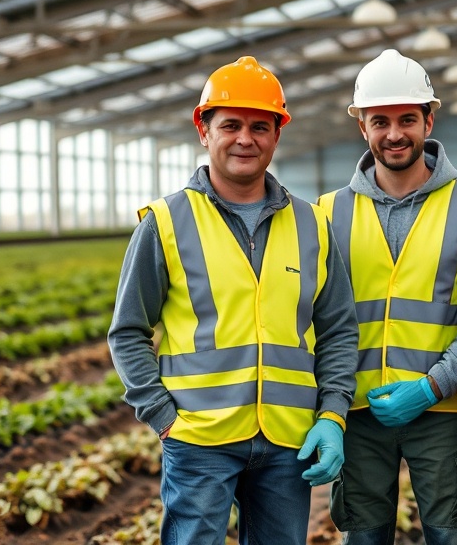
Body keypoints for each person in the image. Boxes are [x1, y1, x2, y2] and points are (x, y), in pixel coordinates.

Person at [107, 56, 360, 545]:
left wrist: (331, 414)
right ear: (204, 130)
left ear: (276, 135)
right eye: (231, 125)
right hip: (199, 439)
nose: (246, 138)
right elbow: (128, 331)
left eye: (260, 127)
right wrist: (162, 416)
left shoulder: (313, 226)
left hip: (289, 439)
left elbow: (339, 331)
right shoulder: (164, 222)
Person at [317, 49, 457, 545]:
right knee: (364, 537)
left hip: (442, 410)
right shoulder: (325, 214)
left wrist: (433, 386)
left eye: (407, 119)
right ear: (362, 126)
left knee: (449, 536)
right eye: (380, 121)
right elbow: (315, 318)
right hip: (356, 411)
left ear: (428, 120)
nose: (394, 133)